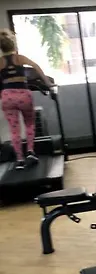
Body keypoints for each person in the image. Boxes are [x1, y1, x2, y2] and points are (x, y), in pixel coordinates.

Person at [0, 29, 53, 170]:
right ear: (13, 45)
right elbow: (36, 66)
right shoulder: (20, 58)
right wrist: (47, 83)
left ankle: (19, 160)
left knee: (14, 130)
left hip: (7, 96)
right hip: (23, 95)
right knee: (29, 123)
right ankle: (30, 152)